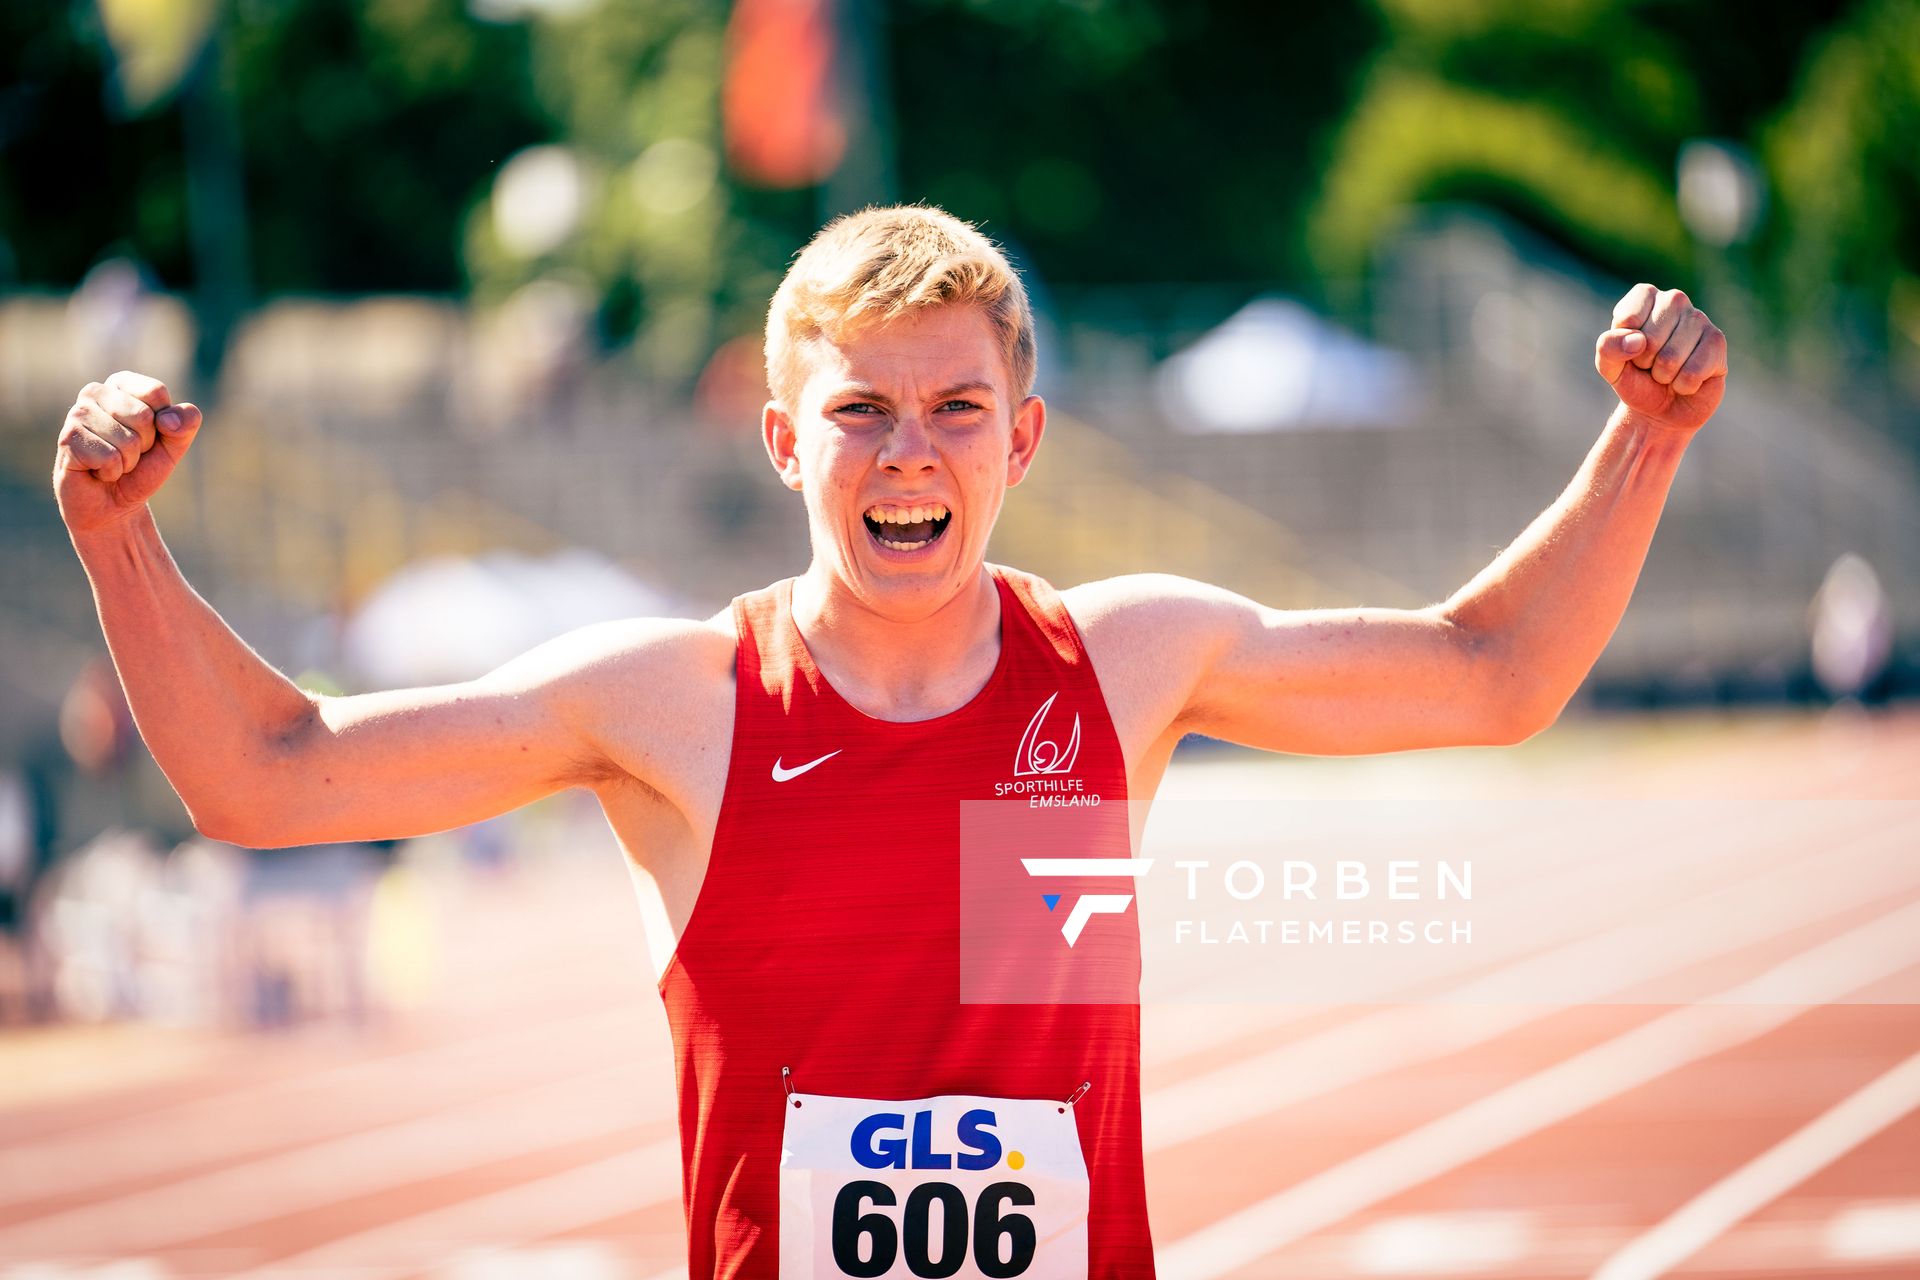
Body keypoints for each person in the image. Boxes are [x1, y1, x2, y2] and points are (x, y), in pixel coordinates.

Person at [52, 205, 1727, 1278]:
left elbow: (1492, 670)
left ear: (1026, 440)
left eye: (954, 410)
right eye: (859, 410)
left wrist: (1646, 444)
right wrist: (116, 535)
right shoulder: (676, 705)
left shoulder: (1125, 666)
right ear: (785, 440)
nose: (907, 455)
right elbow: (264, 773)